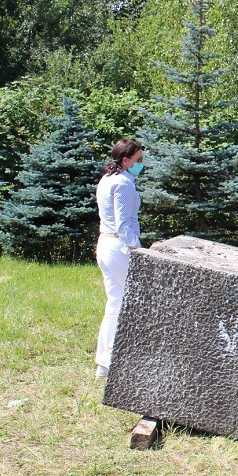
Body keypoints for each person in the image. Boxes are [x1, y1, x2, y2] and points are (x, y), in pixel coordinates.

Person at [94, 139, 144, 378]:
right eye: (138, 161)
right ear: (125, 160)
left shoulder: (106, 179)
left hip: (105, 244)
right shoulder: (123, 183)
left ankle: (104, 362)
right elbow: (124, 223)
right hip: (119, 247)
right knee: (134, 301)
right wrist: (138, 250)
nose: (140, 165)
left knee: (115, 303)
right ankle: (120, 357)